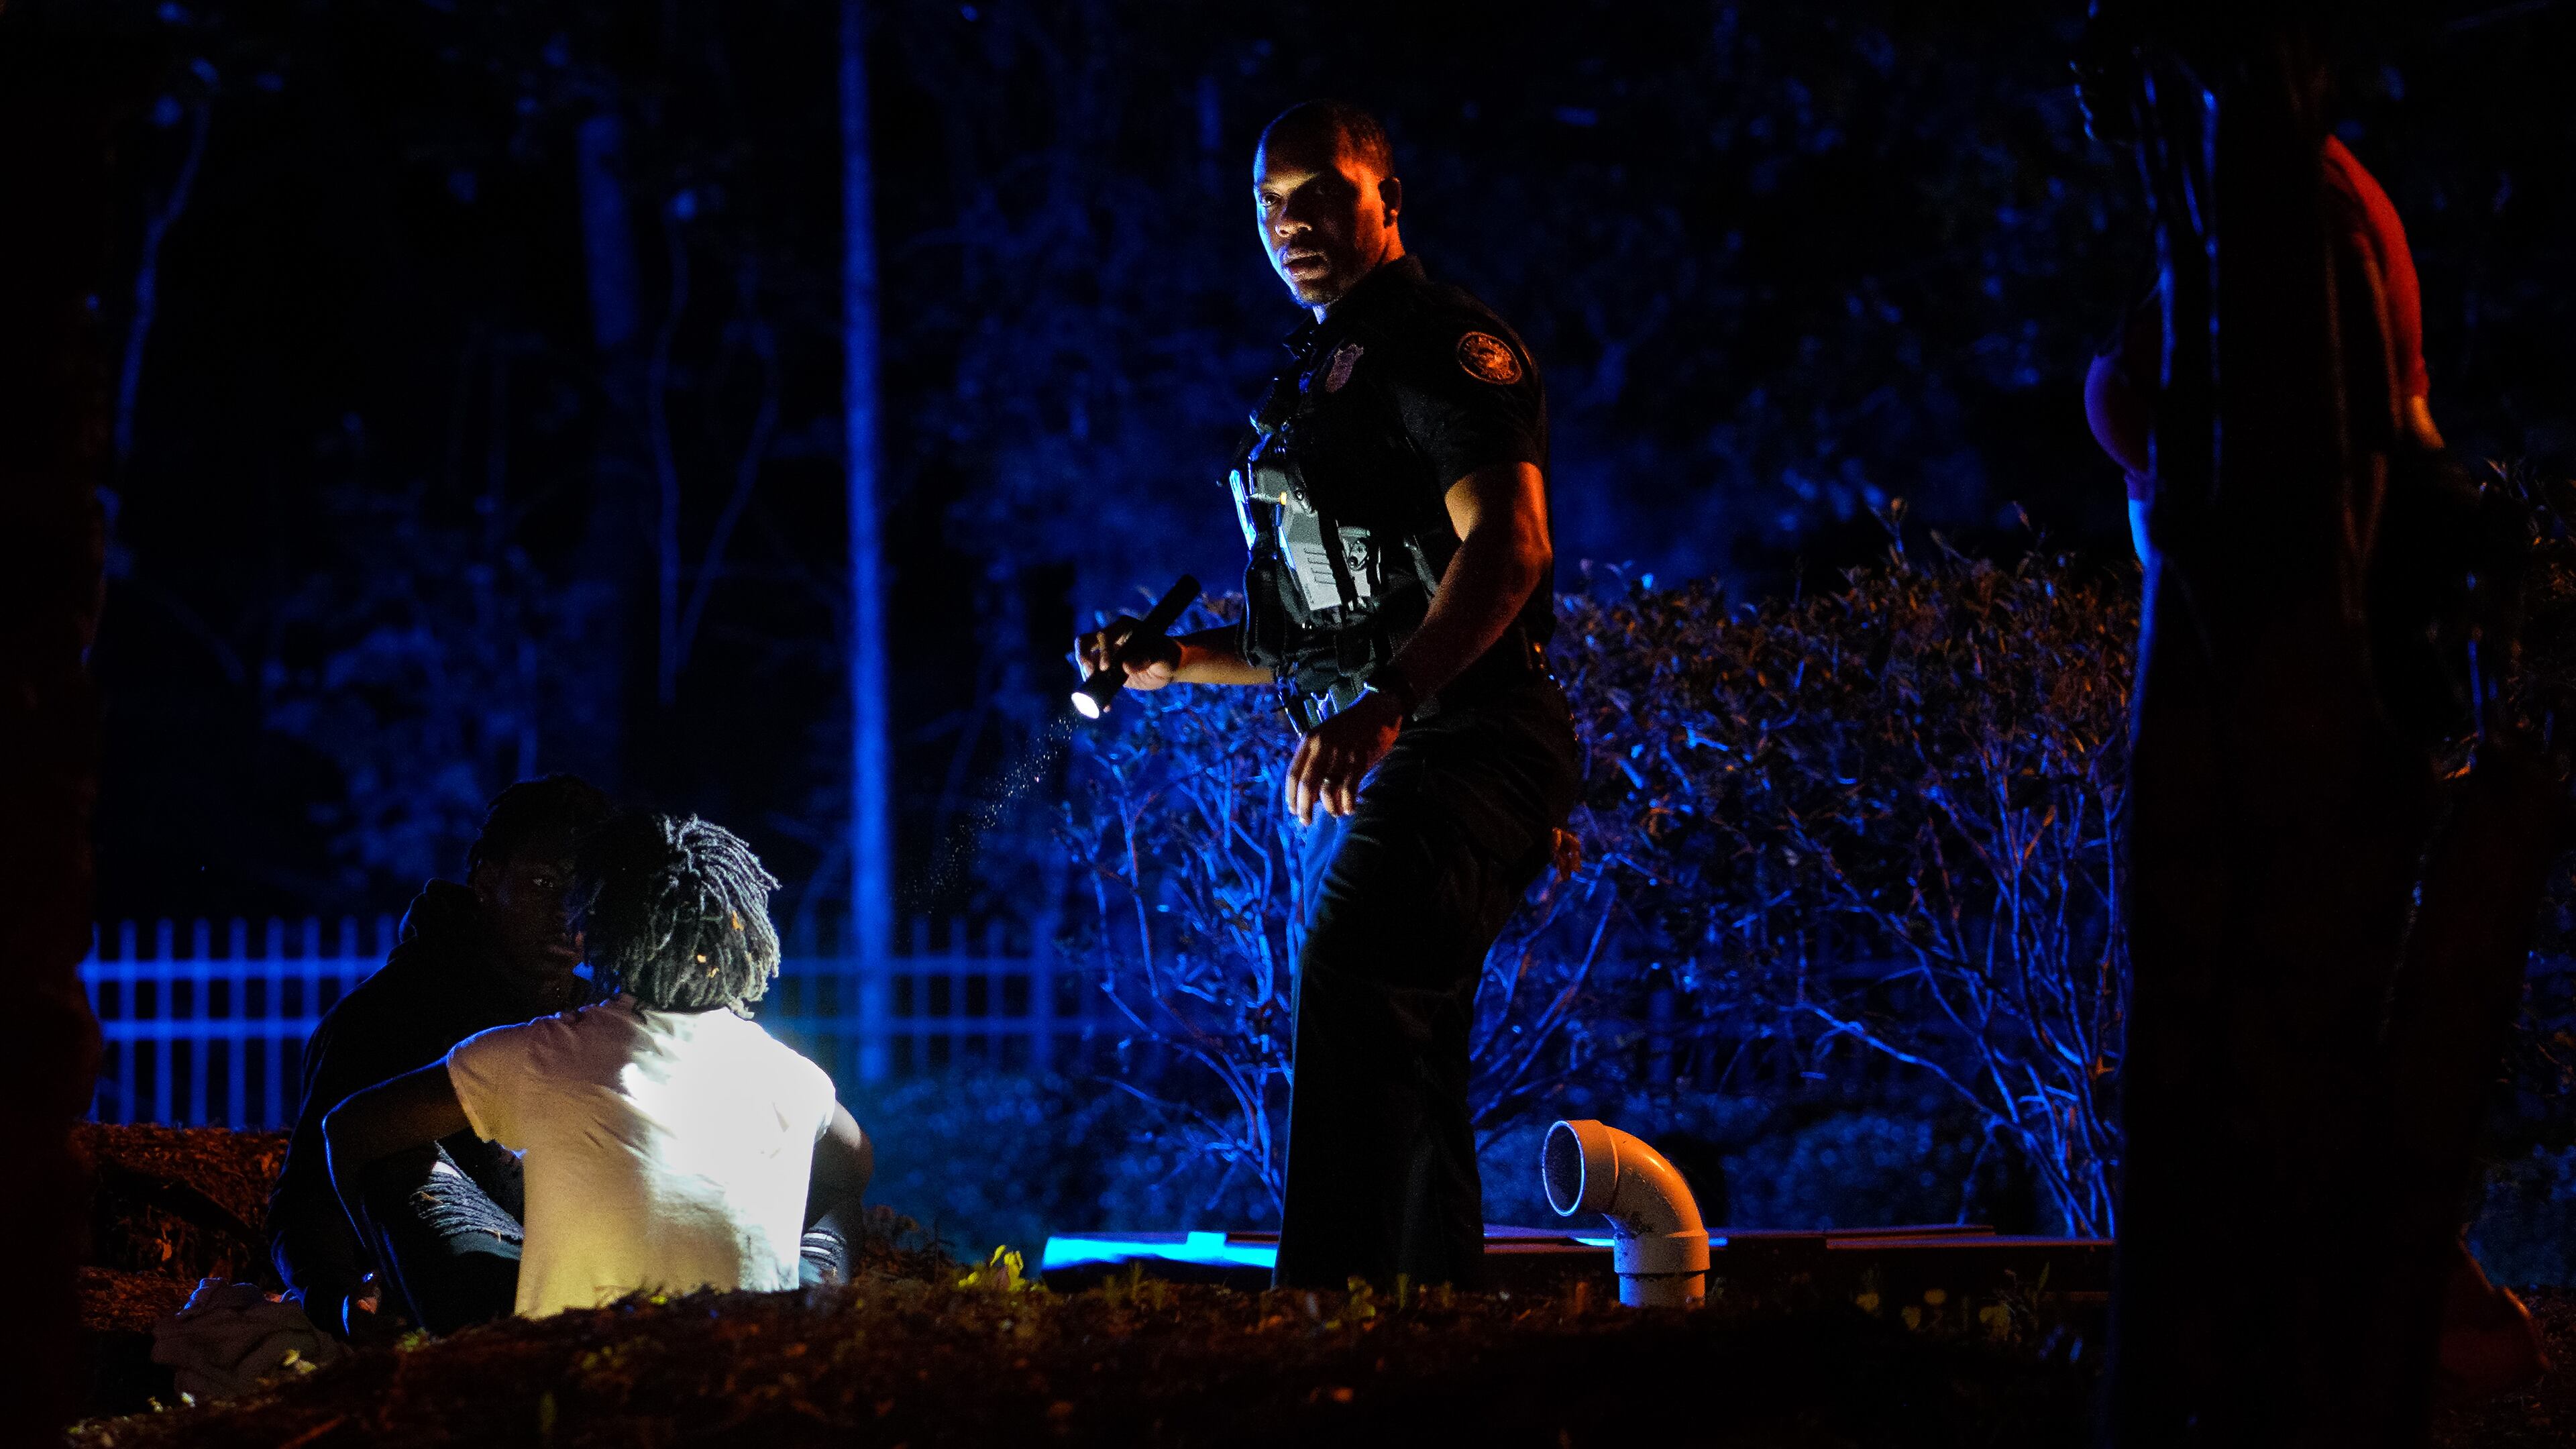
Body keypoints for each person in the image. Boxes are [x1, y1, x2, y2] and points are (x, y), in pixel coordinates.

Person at [1077, 100, 1578, 1289]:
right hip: (1413, 741)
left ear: (1387, 201)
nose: (1289, 224)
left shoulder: (1443, 345)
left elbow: (1510, 547)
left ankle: (1324, 1333)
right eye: (1268, 206)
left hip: (1470, 743)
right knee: (1402, 1048)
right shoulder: (1321, 373)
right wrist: (1175, 662)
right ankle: (1427, 1338)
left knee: (1355, 992)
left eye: (1319, 196)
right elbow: (1335, 633)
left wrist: (1391, 701)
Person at [323, 812, 873, 1319]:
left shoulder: (531, 1054)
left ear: (592, 930)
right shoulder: (794, 1077)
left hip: (562, 1349)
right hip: (739, 1349)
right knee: (836, 1193)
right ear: (739, 934)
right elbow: (856, 1162)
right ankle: (812, 1321)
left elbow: (346, 1129)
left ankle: (405, 1316)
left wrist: (380, 1268)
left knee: (392, 1151)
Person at [264, 773, 614, 1338]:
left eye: (588, 897)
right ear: (486, 880)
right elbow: (309, 1201)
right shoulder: (388, 1016)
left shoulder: (602, 1019)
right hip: (459, 1316)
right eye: (545, 884)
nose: (569, 917)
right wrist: (341, 1304)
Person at [2085, 131, 2443, 568]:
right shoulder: (2215, 174)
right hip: (2224, 552)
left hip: (2298, 559)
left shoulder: (2306, 193)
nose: (2086, 75)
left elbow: (2373, 420)